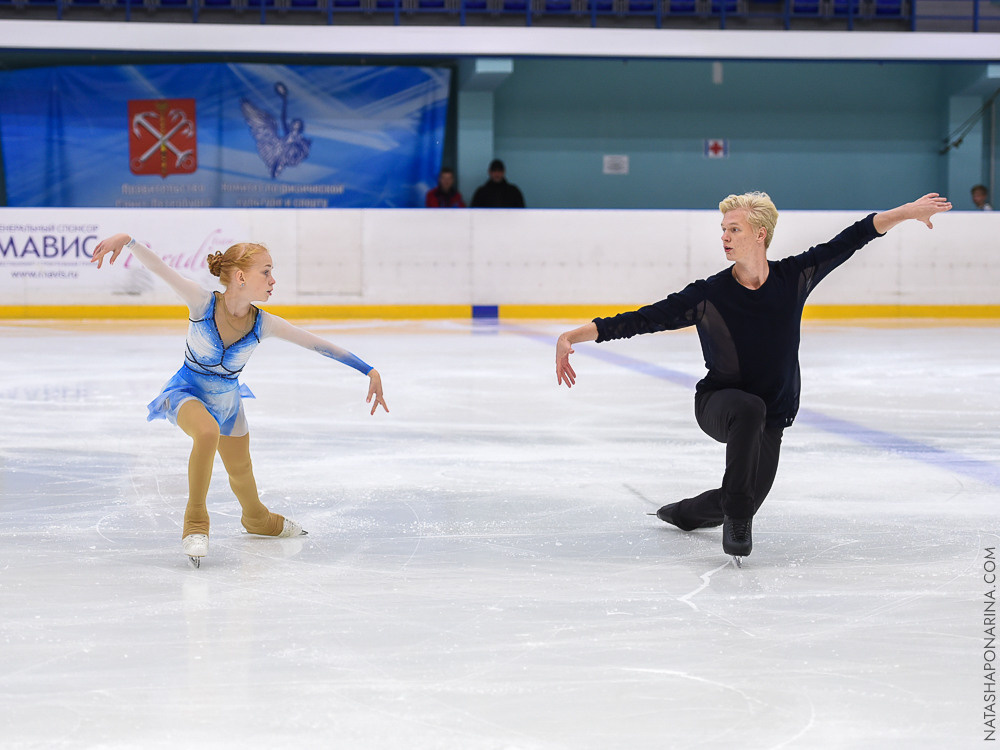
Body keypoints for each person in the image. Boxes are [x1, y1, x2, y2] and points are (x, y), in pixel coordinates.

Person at [555, 192, 952, 563]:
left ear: (760, 234)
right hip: (720, 404)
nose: (725, 237)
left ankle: (684, 513)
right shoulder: (709, 294)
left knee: (743, 494)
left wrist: (906, 213)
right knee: (747, 424)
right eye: (723, 230)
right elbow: (643, 319)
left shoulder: (793, 276)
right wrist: (573, 336)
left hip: (772, 416)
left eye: (734, 229)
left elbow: (852, 238)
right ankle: (737, 521)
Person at [91, 234, 388, 567]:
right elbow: (160, 268)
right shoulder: (201, 303)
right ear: (241, 277)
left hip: (229, 403)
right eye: (266, 272)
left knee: (241, 471)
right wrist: (128, 241)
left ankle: (256, 518)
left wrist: (369, 370)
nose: (273, 280)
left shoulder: (264, 323)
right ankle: (196, 521)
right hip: (186, 392)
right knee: (206, 433)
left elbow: (317, 344)